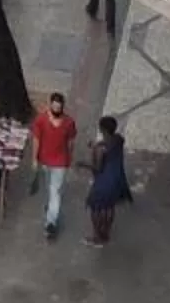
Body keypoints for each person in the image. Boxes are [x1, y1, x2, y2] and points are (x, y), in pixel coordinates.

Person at [30, 91, 79, 239]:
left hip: (59, 163)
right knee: (50, 188)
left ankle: (51, 222)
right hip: (46, 162)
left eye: (59, 108)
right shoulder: (41, 120)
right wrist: (34, 159)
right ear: (50, 105)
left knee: (54, 191)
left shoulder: (69, 122)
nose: (56, 110)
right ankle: (51, 211)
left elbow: (71, 143)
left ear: (62, 107)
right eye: (54, 107)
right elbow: (36, 140)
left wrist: (69, 158)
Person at [84, 114, 132, 245]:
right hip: (117, 179)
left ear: (102, 129)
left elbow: (97, 168)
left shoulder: (101, 148)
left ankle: (97, 236)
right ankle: (106, 232)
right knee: (109, 206)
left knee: (95, 207)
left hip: (104, 181)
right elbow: (107, 144)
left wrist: (83, 164)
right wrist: (95, 145)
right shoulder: (119, 140)